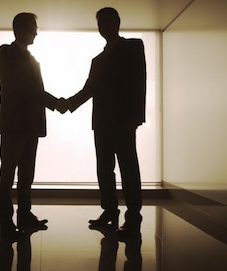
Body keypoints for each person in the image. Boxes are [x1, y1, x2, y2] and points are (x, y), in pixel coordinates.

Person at [66, 7, 146, 237]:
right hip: (101, 122)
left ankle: (133, 217)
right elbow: (89, 88)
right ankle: (110, 211)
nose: (104, 27)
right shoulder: (97, 60)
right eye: (100, 23)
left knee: (128, 169)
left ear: (118, 22)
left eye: (107, 22)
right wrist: (67, 104)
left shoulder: (133, 46)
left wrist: (137, 116)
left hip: (124, 120)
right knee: (104, 169)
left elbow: (139, 82)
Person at [0, 12, 66, 237]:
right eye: (33, 27)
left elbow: (32, 90)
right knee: (8, 175)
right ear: (21, 29)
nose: (36, 32)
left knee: (26, 175)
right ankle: (6, 224)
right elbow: (26, 88)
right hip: (14, 125)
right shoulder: (6, 52)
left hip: (29, 126)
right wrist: (57, 103)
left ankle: (24, 216)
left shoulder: (31, 58)